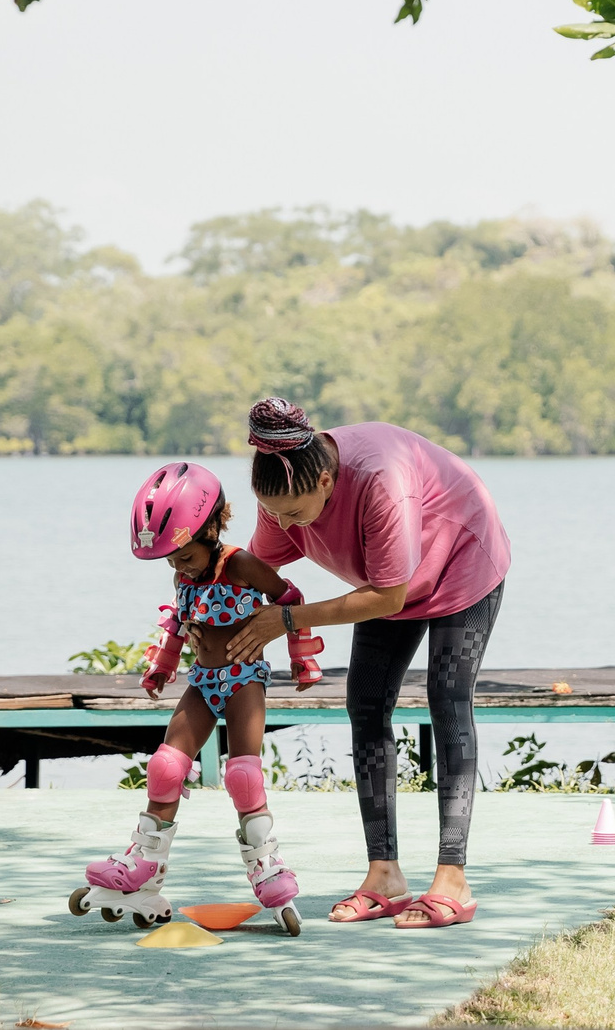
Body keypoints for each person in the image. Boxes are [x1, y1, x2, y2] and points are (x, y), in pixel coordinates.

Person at [206, 397, 511, 930]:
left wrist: (291, 621)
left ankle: (452, 877)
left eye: (294, 515)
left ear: (326, 481)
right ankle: (385, 874)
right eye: (272, 512)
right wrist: (201, 607)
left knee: (447, 698)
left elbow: (389, 597)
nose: (282, 523)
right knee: (366, 705)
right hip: (386, 579)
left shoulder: (380, 480)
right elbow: (258, 569)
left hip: (461, 556)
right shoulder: (282, 481)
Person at [69, 461, 315, 934]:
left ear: (212, 528)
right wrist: (162, 665)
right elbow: (179, 622)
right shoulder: (185, 573)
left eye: (183, 556)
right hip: (203, 680)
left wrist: (301, 658)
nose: (177, 567)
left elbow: (292, 598)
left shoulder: (241, 564)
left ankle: (267, 867)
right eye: (170, 560)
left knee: (242, 774)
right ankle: (145, 865)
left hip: (245, 678)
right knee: (165, 767)